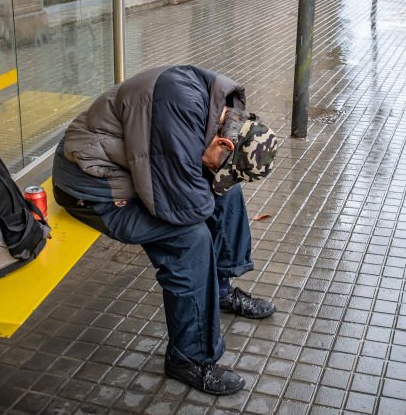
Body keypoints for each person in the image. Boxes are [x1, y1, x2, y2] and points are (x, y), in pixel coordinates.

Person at [52, 65, 281, 395]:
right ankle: (188, 357)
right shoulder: (174, 116)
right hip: (91, 187)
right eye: (222, 163)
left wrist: (216, 184)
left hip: (127, 167)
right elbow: (174, 208)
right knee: (189, 239)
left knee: (225, 192)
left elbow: (195, 188)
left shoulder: (221, 115)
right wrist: (208, 193)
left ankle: (219, 288)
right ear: (224, 142)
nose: (218, 170)